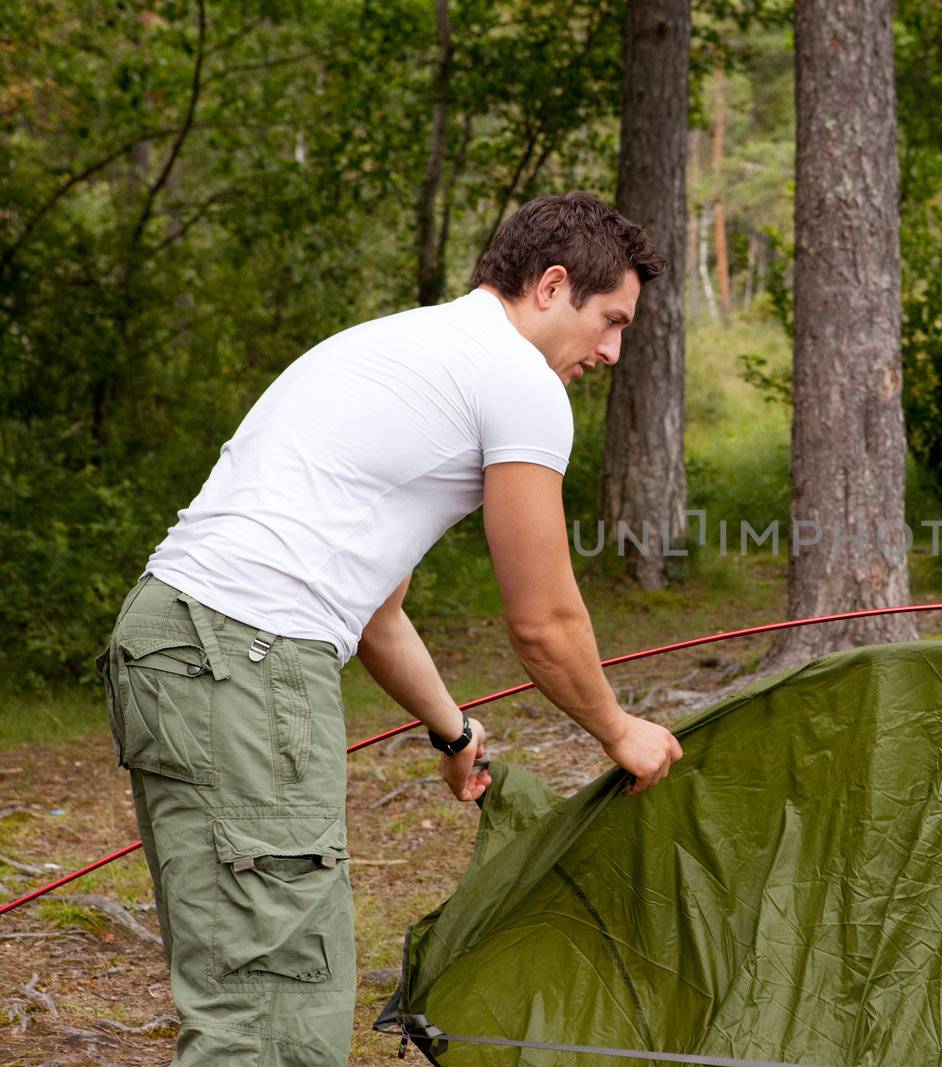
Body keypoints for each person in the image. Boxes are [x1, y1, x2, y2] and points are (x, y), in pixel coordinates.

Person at [96, 192, 685, 1064]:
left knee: (242, 991)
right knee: (276, 1021)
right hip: (246, 659)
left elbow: (375, 611)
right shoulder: (519, 382)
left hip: (171, 642)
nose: (611, 351)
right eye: (610, 320)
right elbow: (545, 621)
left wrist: (451, 730)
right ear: (552, 286)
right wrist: (620, 729)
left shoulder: (400, 346)